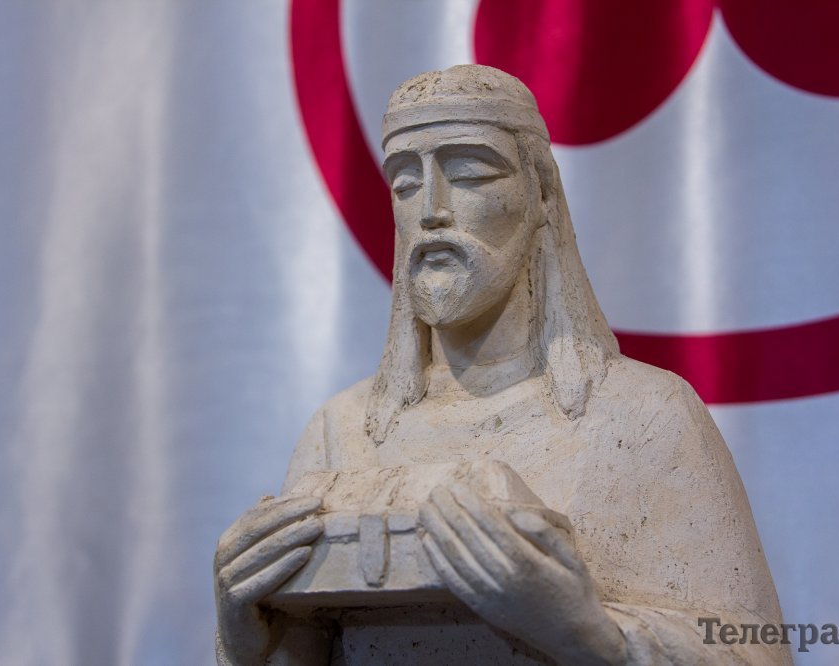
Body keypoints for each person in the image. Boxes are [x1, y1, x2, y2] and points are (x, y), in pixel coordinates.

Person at [214, 65, 790, 665]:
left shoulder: (641, 415)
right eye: (405, 183)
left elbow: (757, 654)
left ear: (541, 195)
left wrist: (583, 628)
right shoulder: (342, 431)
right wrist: (246, 637)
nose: (431, 211)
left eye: (469, 173)